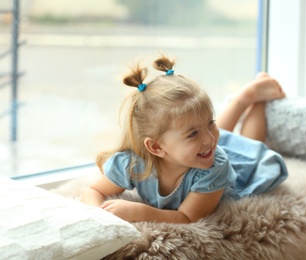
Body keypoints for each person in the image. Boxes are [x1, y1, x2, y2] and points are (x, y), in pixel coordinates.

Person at [81, 54, 288, 223]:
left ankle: (252, 100)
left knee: (245, 145)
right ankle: (242, 100)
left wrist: (140, 212)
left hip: (238, 171)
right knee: (215, 140)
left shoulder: (215, 168)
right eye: (192, 133)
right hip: (194, 153)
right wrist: (99, 215)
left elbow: (187, 217)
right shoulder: (133, 163)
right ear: (156, 147)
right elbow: (93, 191)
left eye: (211, 121)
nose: (209, 137)